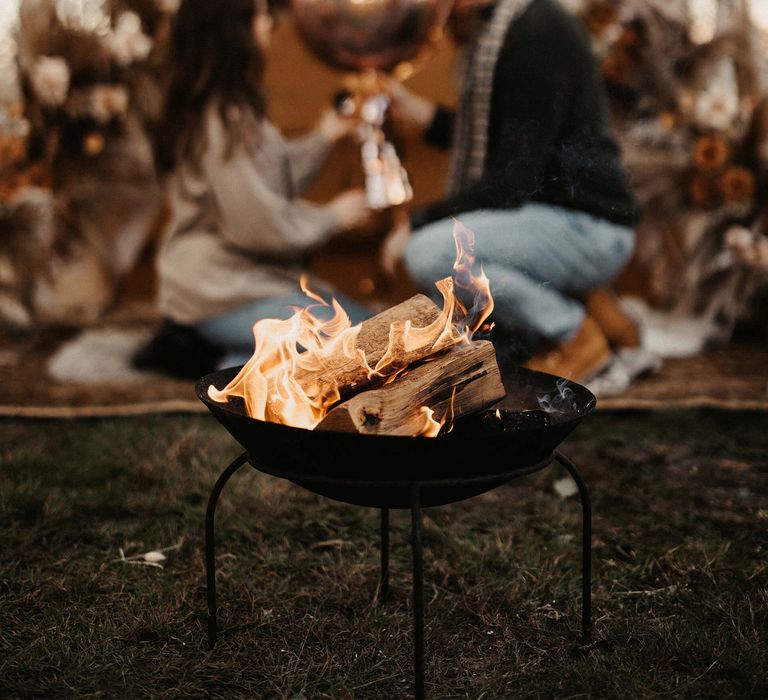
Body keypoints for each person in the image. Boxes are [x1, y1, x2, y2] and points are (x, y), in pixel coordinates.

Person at [381, 0, 641, 380]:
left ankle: (574, 333)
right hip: (555, 218)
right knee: (465, 325)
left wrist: (416, 222)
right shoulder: (505, 26)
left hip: (589, 227)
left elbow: (511, 181)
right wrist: (420, 112)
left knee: (430, 254)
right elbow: (508, 138)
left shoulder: (537, 30)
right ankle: (595, 310)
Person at [133, 0, 372, 378]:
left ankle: (230, 355)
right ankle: (224, 364)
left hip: (243, 280)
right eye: (260, 15)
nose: (269, 24)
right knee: (360, 346)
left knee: (372, 326)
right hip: (217, 290)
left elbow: (267, 181)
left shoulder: (233, 106)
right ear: (234, 30)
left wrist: (323, 136)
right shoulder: (220, 118)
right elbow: (256, 224)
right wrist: (333, 217)